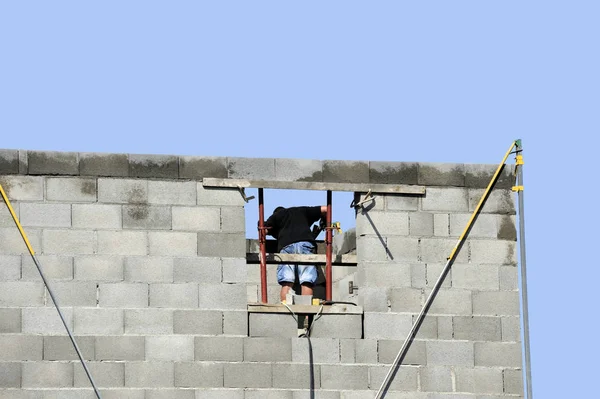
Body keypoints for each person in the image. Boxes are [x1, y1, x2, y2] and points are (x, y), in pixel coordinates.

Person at [264, 205, 327, 302]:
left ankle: (286, 312)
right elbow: (326, 209)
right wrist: (325, 221)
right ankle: (307, 313)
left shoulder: (277, 216)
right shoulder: (301, 210)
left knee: (287, 281)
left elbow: (263, 229)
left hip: (286, 247)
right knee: (307, 280)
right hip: (305, 244)